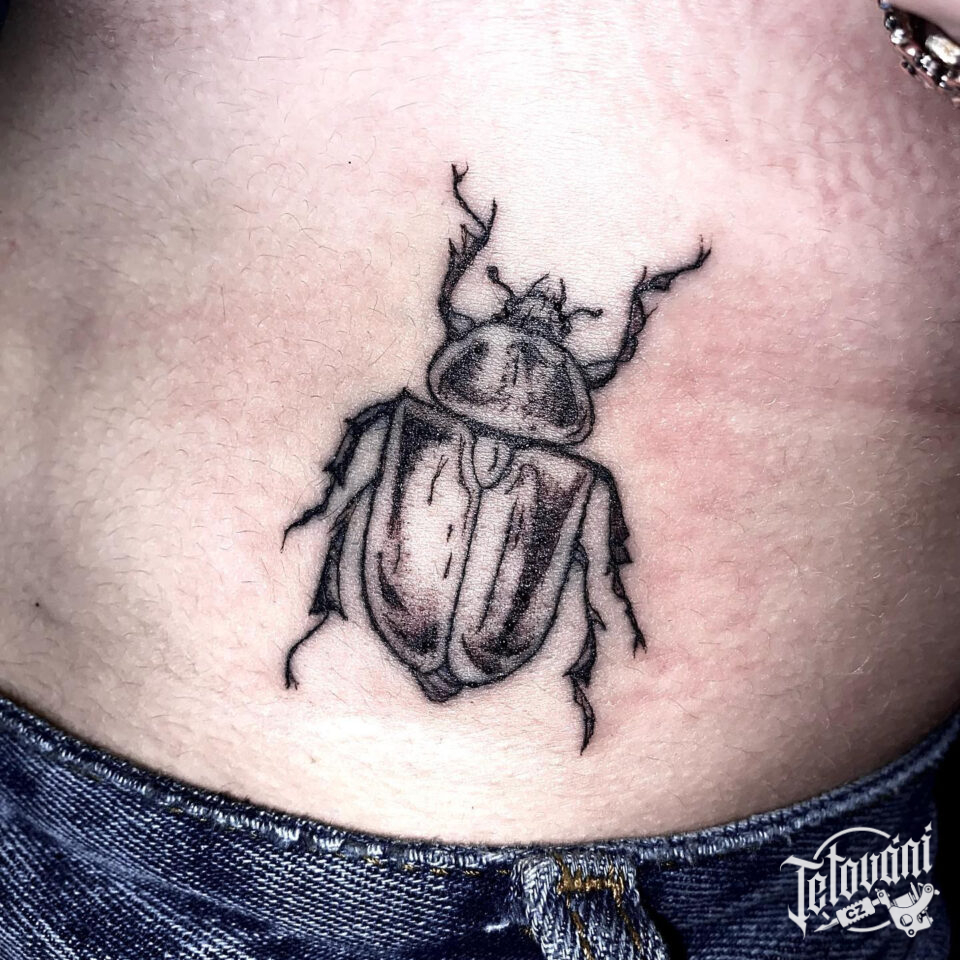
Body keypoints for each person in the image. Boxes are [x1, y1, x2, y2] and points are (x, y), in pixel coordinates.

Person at [0, 1, 957, 956]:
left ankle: (350, 626)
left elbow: (364, 490)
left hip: (754, 868)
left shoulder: (429, 425)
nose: (536, 313)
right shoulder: (561, 469)